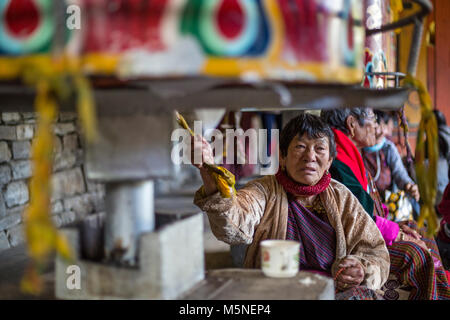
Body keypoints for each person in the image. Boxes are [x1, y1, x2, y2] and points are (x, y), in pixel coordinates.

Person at [192, 113, 390, 300]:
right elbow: (233, 223)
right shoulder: (264, 191)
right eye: (300, 147)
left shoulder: (342, 197)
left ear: (329, 161)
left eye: (319, 148)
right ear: (283, 156)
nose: (310, 156)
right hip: (274, 293)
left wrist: (362, 270)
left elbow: (376, 251)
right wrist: (208, 172)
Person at [321, 108, 450, 300]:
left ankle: (441, 287)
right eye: (373, 119)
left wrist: (399, 228)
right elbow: (360, 217)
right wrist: (398, 234)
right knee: (415, 252)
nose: (376, 126)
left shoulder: (351, 153)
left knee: (419, 230)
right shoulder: (338, 160)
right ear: (352, 124)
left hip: (371, 230)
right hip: (357, 243)